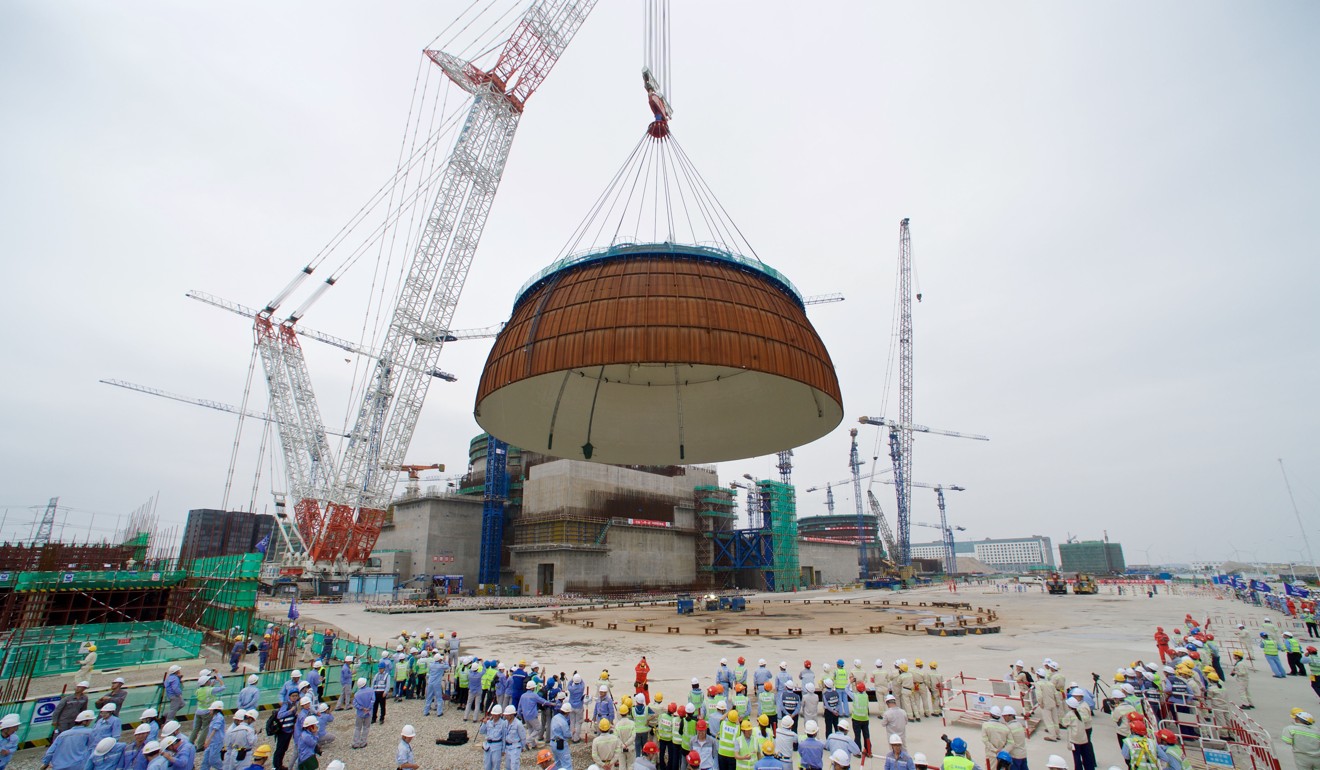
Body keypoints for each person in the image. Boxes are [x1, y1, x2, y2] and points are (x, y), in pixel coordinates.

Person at [1060, 698, 1095, 770]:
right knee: (1086, 756)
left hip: (1074, 739)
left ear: (1069, 706)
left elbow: (1064, 723)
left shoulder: (1069, 714)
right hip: (1083, 738)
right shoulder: (1081, 713)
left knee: (1077, 758)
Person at [200, 702, 227, 770]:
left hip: (216, 742)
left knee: (213, 760)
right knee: (205, 761)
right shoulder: (215, 717)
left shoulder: (219, 717)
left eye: (211, 710)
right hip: (212, 742)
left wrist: (207, 741)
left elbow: (215, 729)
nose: (210, 711)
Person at [481, 705, 508, 770]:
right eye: (493, 714)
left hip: (497, 746)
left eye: (496, 714)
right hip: (488, 745)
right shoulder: (488, 722)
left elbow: (504, 737)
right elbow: (481, 731)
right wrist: (484, 723)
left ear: (500, 715)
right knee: (487, 764)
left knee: (496, 764)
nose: (495, 716)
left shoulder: (503, 723)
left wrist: (503, 749)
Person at [350, 677, 373, 749]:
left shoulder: (357, 694)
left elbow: (355, 704)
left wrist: (362, 708)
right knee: (366, 727)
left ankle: (355, 743)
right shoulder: (371, 691)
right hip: (368, 712)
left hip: (360, 713)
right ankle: (363, 742)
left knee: (357, 728)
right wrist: (368, 708)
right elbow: (373, 700)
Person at [550, 702, 573, 770]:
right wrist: (572, 732)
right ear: (567, 712)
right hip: (560, 744)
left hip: (553, 743)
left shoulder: (554, 718)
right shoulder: (563, 722)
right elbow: (567, 734)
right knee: (567, 765)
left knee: (558, 763)